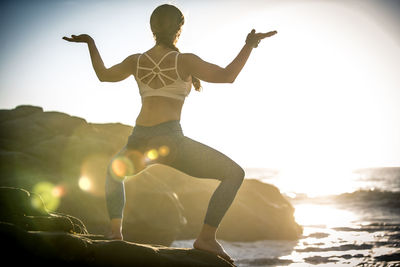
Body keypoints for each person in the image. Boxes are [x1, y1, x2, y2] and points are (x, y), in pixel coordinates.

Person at [63, 3, 277, 263]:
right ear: (179, 28)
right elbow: (227, 76)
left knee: (113, 173)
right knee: (234, 174)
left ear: (152, 28)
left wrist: (90, 43)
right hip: (171, 141)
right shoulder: (185, 60)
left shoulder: (136, 60)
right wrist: (249, 45)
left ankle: (115, 233)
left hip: (139, 138)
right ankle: (206, 238)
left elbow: (104, 75)